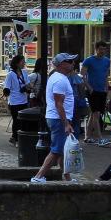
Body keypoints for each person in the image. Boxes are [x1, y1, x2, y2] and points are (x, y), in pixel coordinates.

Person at [32, 52, 80, 184]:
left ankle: (67, 177)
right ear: (62, 64)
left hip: (57, 118)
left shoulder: (57, 77)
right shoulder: (60, 80)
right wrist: (66, 123)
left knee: (62, 149)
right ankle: (39, 176)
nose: (73, 63)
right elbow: (59, 103)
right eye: (70, 61)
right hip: (59, 119)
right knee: (56, 150)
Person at [81, 41, 111, 145]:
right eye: (101, 49)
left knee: (94, 114)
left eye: (104, 49)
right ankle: (100, 138)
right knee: (96, 114)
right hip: (92, 91)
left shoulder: (107, 61)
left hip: (102, 90)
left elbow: (106, 76)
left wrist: (106, 88)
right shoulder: (88, 60)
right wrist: (89, 87)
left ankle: (87, 136)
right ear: (96, 49)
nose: (103, 51)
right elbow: (83, 75)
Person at [2, 53, 31, 144]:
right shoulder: (10, 75)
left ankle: (18, 137)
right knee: (16, 120)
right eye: (22, 62)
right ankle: (16, 137)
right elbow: (7, 88)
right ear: (17, 63)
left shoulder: (25, 72)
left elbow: (28, 84)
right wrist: (6, 93)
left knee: (23, 120)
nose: (24, 63)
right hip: (14, 101)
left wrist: (29, 88)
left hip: (24, 100)